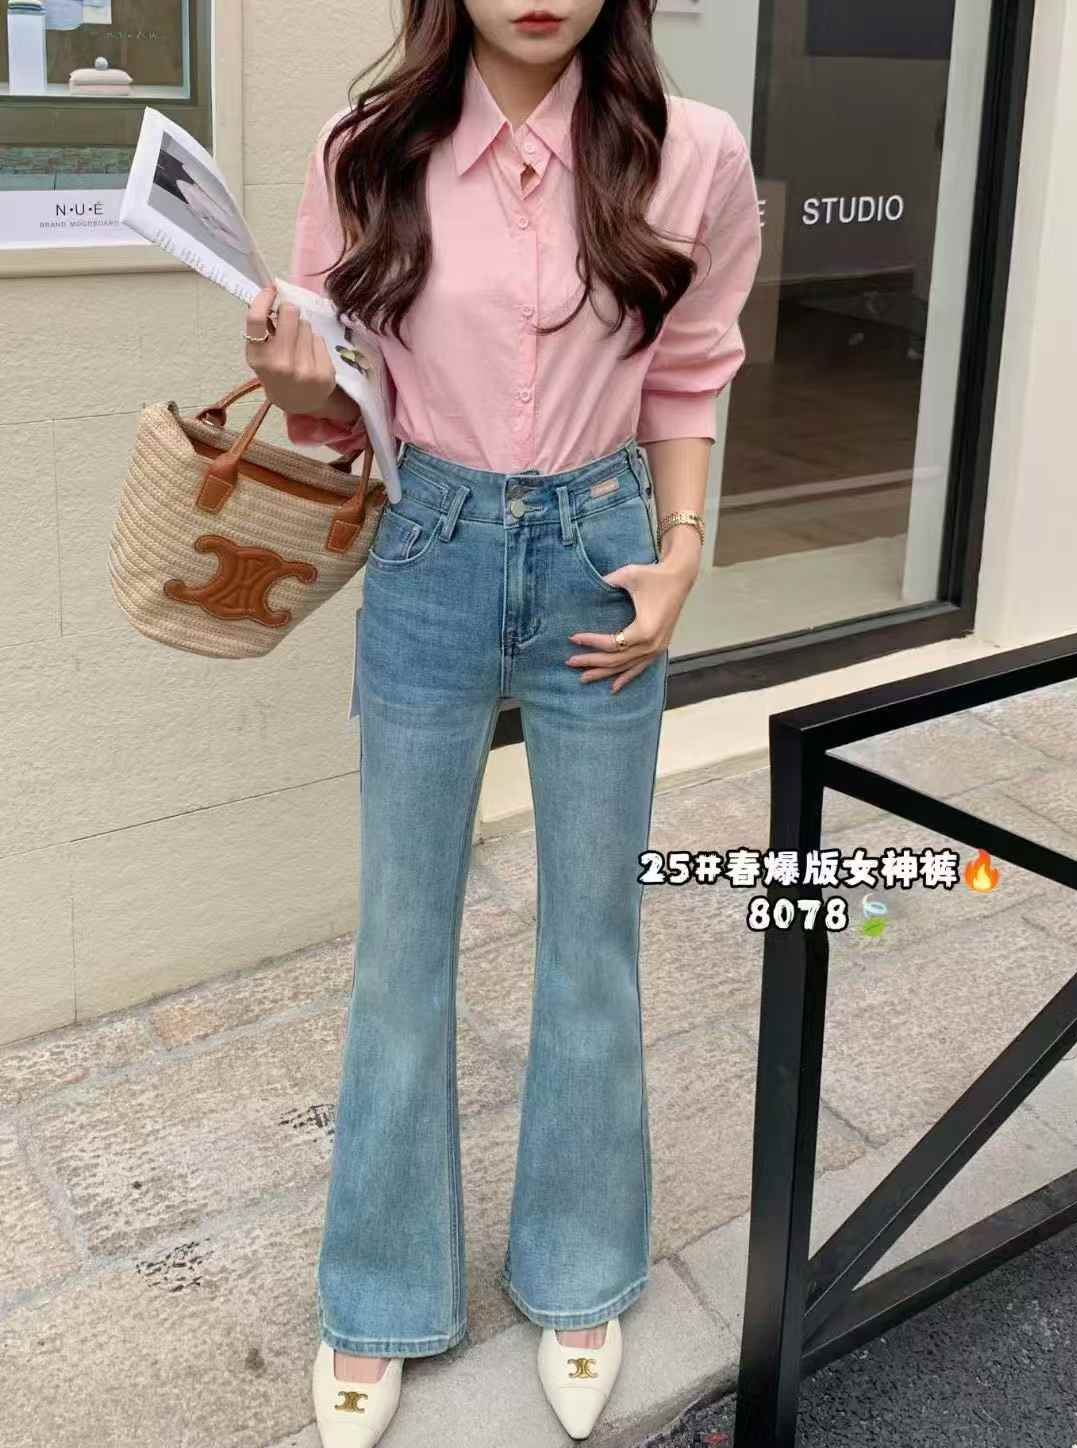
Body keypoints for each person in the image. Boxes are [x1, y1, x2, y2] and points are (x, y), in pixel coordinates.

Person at [243, 1, 761, 1442]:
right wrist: (300, 389)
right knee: (402, 943)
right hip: (430, 548)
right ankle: (379, 1291)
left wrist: (683, 549)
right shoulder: (366, 151)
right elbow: (343, 415)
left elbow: (689, 368)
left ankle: (580, 1268)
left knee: (592, 935)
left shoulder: (693, 152)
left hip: (605, 551)